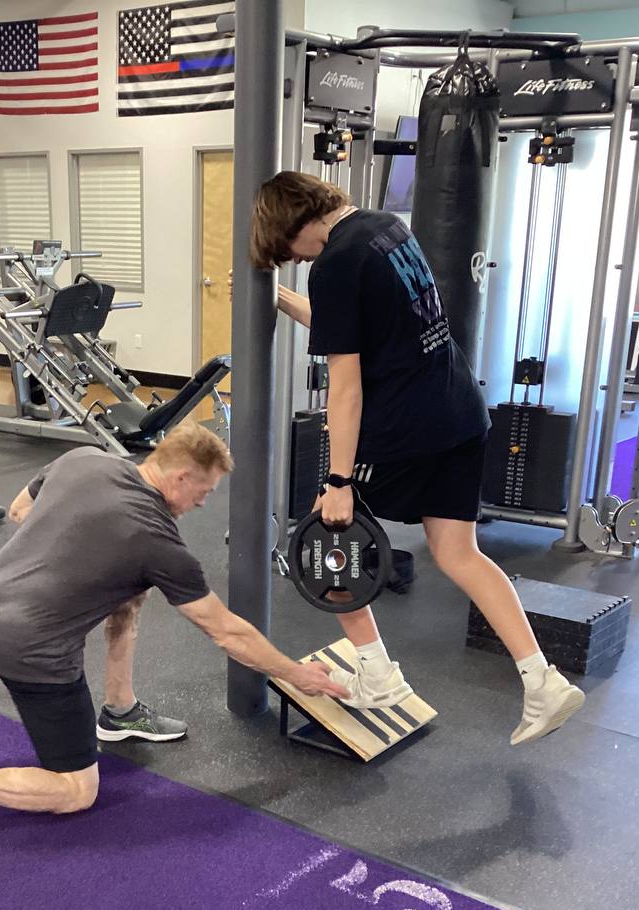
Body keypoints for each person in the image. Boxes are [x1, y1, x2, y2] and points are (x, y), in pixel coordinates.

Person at [0, 422, 347, 859]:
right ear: (182, 477)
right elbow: (226, 631)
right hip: (28, 645)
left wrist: (78, 559)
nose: (203, 503)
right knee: (76, 791)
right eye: (204, 492)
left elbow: (21, 511)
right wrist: (295, 674)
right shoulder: (157, 541)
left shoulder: (85, 458)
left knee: (129, 596)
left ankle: (119, 711)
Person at [247, 170, 585, 747]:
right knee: (459, 553)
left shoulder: (333, 264)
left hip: (406, 430)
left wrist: (338, 480)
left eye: (289, 253)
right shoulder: (384, 230)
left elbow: (346, 385)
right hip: (459, 412)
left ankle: (377, 675)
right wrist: (281, 300)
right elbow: (366, 331)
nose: (296, 261)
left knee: (327, 536)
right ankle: (542, 680)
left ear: (295, 225)